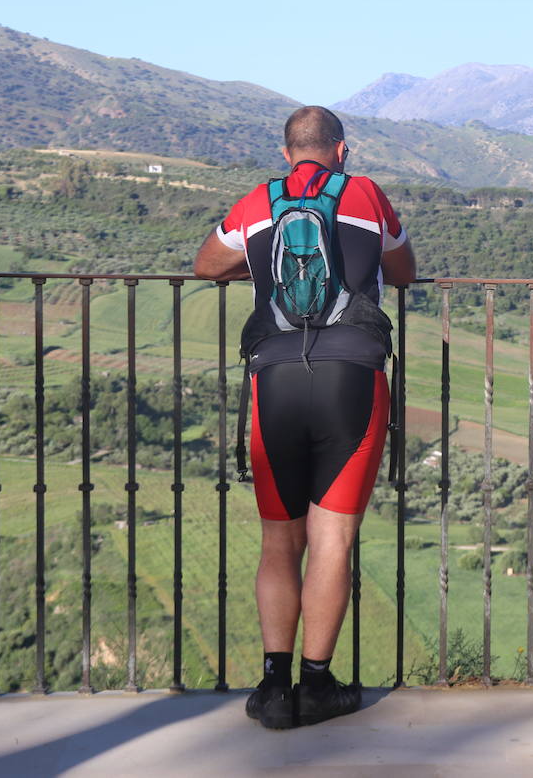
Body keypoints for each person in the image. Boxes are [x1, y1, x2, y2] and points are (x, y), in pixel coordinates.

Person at [193, 105, 416, 729]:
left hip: (276, 380)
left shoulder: (255, 203)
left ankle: (272, 689)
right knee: (332, 541)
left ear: (287, 152)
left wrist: (260, 269)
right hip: (352, 379)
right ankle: (318, 686)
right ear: (341, 151)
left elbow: (205, 264)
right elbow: (403, 270)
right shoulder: (367, 194)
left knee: (278, 542)